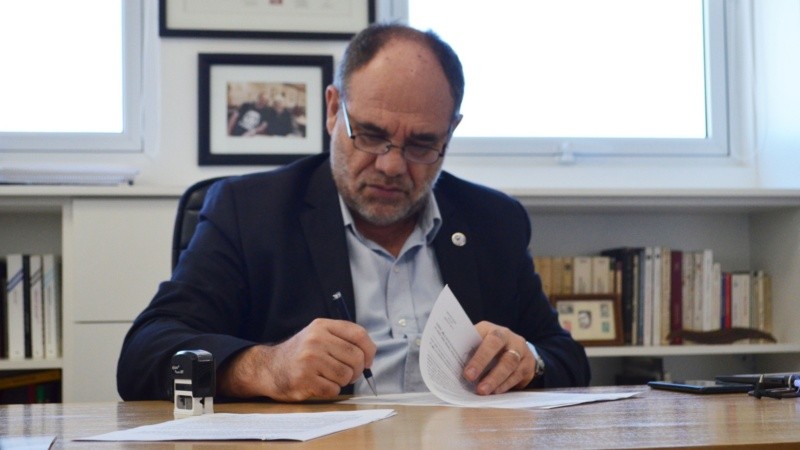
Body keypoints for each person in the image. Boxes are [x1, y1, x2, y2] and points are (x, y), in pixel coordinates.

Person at [117, 23, 590, 402]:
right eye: (368, 133)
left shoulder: (494, 220)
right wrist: (266, 367)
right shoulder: (248, 212)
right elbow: (144, 355)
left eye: (423, 144)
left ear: (452, 132)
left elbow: (566, 357)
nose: (390, 165)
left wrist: (528, 358)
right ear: (331, 110)